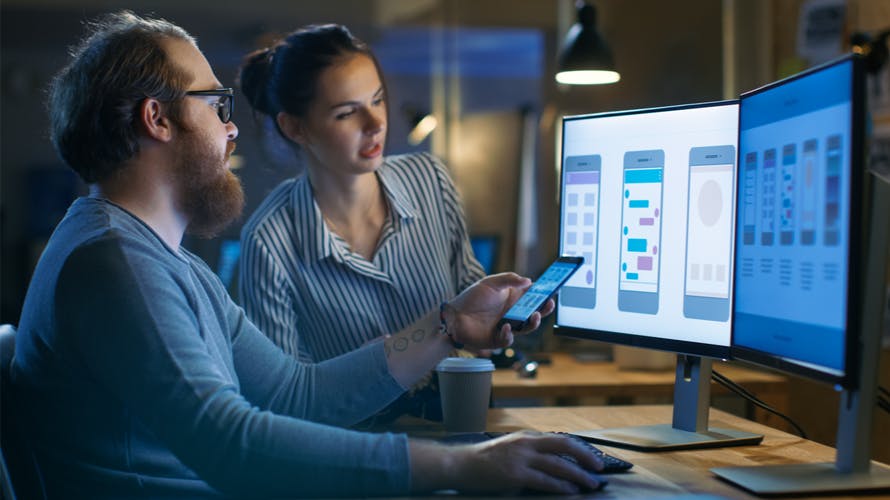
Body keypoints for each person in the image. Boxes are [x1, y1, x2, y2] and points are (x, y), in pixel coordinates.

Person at [11, 11, 604, 498]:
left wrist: (449, 325)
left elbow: (297, 394)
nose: (231, 129)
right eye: (216, 105)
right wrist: (459, 466)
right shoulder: (116, 263)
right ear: (157, 118)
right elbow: (231, 446)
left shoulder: (164, 261)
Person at [236, 24, 484, 420]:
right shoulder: (269, 242)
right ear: (294, 127)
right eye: (347, 113)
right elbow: (283, 402)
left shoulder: (431, 179)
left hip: (461, 422)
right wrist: (369, 368)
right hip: (358, 447)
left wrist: (499, 314)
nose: (375, 123)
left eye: (378, 100)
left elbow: (468, 288)